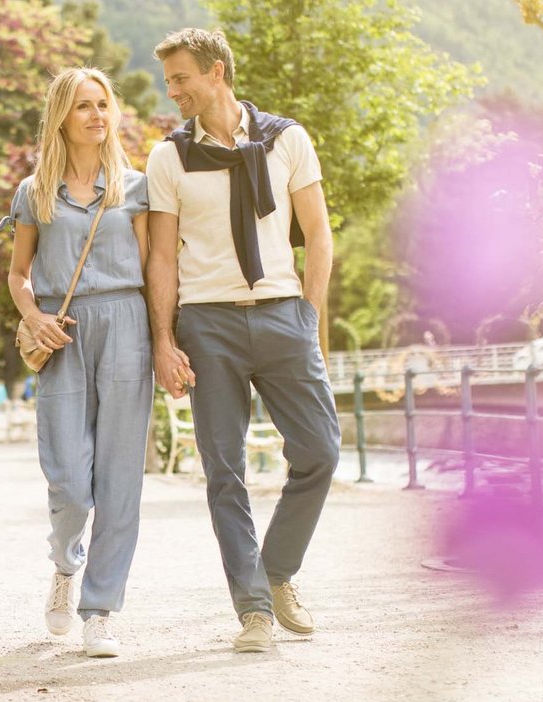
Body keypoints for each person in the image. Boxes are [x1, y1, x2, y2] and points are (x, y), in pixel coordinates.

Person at [145, 28, 341, 653]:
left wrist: (310, 318)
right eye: (169, 80)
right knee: (223, 470)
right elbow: (162, 261)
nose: (173, 91)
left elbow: (318, 233)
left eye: (182, 78)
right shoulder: (168, 157)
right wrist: (163, 341)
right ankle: (254, 612)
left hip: (283, 313)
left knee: (320, 451)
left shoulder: (287, 139)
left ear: (217, 71)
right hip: (208, 324)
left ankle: (275, 570)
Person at [6, 67, 152, 658]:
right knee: (68, 478)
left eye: (103, 105)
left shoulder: (137, 188)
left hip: (127, 324)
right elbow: (19, 274)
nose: (97, 115)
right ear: (61, 117)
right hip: (61, 332)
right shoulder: (34, 192)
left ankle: (100, 610)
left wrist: (166, 337)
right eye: (83, 106)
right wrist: (34, 316)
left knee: (120, 479)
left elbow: (155, 268)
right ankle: (65, 567)